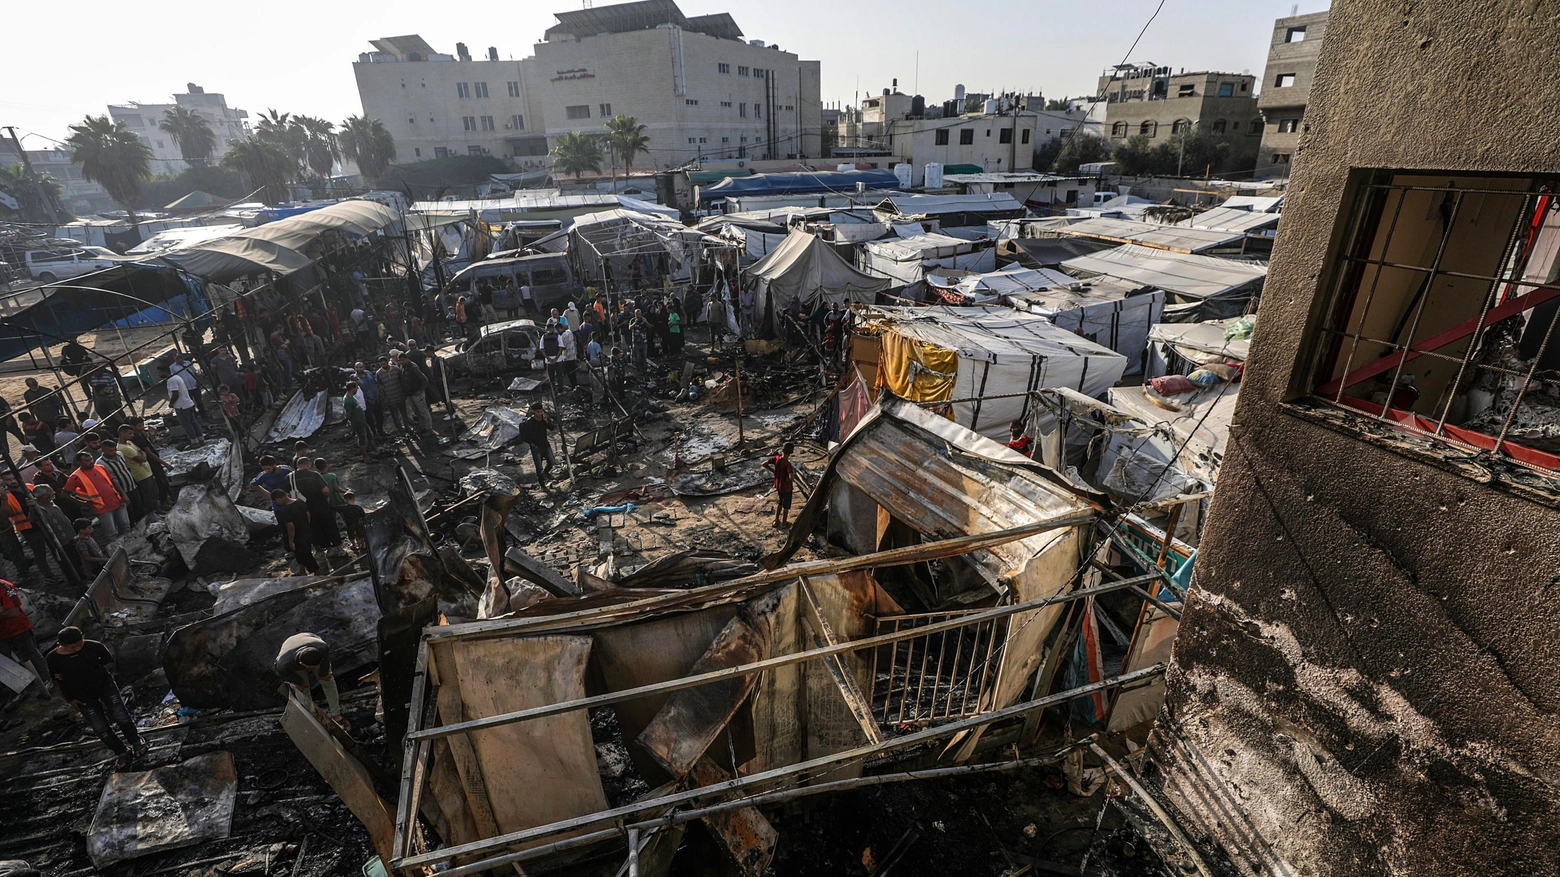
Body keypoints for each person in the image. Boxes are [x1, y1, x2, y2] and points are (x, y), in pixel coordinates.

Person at [48, 626, 147, 766]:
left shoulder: (94, 646)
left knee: (121, 715)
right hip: (81, 696)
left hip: (105, 686)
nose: (77, 649)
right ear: (61, 645)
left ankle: (136, 741)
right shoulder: (53, 658)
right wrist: (69, 699)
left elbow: (108, 660)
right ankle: (121, 751)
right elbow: (57, 680)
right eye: (72, 647)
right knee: (100, 727)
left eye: (79, 645)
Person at [274, 632, 348, 729]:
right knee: (303, 689)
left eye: (317, 664)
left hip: (309, 640)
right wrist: (299, 682)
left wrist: (323, 673)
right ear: (303, 664)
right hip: (291, 656)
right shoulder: (283, 664)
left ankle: (336, 715)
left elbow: (325, 659)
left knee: (327, 680)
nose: (317, 667)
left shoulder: (322, 647)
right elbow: (285, 674)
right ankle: (313, 717)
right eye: (314, 667)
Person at [0, 578, 50, 698]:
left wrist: (4, 610)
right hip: (2, 634)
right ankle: (18, 691)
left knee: (31, 654)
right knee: (4, 663)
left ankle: (47, 680)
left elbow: (13, 612)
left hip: (18, 629)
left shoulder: (4, 587)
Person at [65, 450, 127, 543]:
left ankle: (128, 543)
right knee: (111, 531)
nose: (91, 462)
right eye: (87, 461)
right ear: (79, 462)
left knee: (125, 525)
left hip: (116, 501)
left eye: (91, 459)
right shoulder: (75, 477)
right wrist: (83, 503)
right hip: (101, 507)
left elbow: (113, 481)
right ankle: (116, 547)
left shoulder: (100, 468)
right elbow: (65, 494)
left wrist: (124, 494)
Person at [29, 485, 81, 589]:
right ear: (44, 495)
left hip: (70, 536)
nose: (53, 492)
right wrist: (32, 507)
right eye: (51, 491)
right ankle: (75, 583)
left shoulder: (50, 503)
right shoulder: (39, 508)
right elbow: (32, 518)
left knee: (76, 559)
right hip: (60, 541)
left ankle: (82, 576)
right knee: (68, 563)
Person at [292, 457, 341, 554]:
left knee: (316, 528)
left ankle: (329, 550)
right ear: (308, 465)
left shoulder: (290, 477)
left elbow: (289, 495)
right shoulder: (314, 475)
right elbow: (326, 491)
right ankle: (339, 549)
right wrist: (325, 498)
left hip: (305, 508)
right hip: (321, 504)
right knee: (330, 525)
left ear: (297, 465)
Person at [115, 426, 158, 520]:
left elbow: (141, 451)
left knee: (153, 494)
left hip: (147, 472)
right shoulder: (122, 448)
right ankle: (151, 516)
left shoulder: (129, 443)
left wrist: (142, 454)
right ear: (122, 434)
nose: (132, 435)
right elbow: (142, 458)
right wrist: (142, 455)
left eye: (132, 433)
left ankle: (156, 513)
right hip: (140, 475)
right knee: (148, 497)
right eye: (130, 433)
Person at [272, 490, 318, 575]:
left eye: (276, 501)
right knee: (300, 554)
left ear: (279, 499)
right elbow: (308, 514)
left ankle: (317, 573)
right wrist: (306, 525)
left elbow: (291, 527)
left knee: (306, 555)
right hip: (306, 531)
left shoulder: (285, 510)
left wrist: (291, 541)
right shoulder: (299, 501)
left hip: (298, 536)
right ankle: (302, 571)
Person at [158, 362, 203, 447]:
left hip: (181, 406)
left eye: (160, 372)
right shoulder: (177, 377)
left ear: (165, 371)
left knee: (187, 424)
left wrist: (171, 403)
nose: (159, 374)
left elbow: (175, 393)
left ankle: (194, 442)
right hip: (188, 403)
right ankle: (201, 439)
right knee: (194, 422)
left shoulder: (172, 380)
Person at [96, 440, 141, 522]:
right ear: (103, 450)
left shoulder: (120, 454)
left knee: (139, 509)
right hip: (121, 492)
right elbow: (109, 481)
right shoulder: (100, 463)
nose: (113, 452)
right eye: (110, 451)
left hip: (132, 487)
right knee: (129, 515)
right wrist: (122, 494)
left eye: (114, 450)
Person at [516, 404, 556, 486]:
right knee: (539, 467)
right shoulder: (530, 423)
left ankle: (546, 473)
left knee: (551, 461)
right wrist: (532, 444)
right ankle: (542, 484)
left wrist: (546, 421)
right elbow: (524, 436)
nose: (540, 413)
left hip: (545, 445)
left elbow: (552, 428)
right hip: (536, 448)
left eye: (541, 411)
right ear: (533, 412)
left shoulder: (543, 420)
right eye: (538, 412)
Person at [397, 352, 435, 433]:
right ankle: (422, 427)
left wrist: (421, 390)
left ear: (406, 359)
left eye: (402, 360)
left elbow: (424, 379)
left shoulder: (413, 367)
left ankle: (428, 429)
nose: (401, 362)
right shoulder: (403, 367)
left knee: (423, 411)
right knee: (417, 412)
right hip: (410, 394)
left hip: (418, 394)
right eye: (399, 361)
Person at [763, 442, 796, 530]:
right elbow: (791, 477)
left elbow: (764, 464)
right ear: (791, 452)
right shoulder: (787, 464)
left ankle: (776, 520)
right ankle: (784, 523)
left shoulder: (776, 459)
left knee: (780, 502)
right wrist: (789, 479)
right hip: (787, 488)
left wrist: (773, 471)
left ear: (782, 450)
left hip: (778, 486)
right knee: (786, 506)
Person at [375, 357, 409, 434]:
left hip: (400, 395)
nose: (382, 365)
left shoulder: (396, 369)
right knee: (395, 415)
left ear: (387, 362)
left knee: (404, 413)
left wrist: (404, 392)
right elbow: (380, 387)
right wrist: (385, 398)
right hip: (390, 398)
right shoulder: (378, 373)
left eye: (384, 363)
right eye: (381, 364)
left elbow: (402, 381)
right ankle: (400, 429)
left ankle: (407, 427)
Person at [343, 379, 374, 461]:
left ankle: (376, 450)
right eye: (356, 388)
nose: (357, 389)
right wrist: (351, 421)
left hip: (363, 421)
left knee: (370, 435)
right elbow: (348, 414)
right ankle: (365, 457)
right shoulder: (348, 400)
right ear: (352, 389)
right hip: (358, 423)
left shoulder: (352, 398)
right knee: (362, 440)